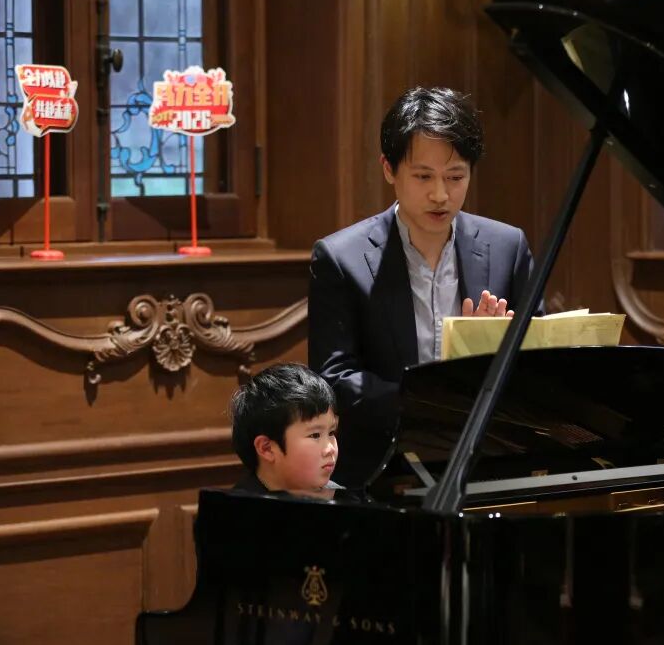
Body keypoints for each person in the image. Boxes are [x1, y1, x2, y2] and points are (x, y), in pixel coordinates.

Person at [309, 86, 538, 487]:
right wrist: (435, 401)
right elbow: (334, 378)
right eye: (423, 176)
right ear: (389, 169)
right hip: (384, 469)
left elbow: (540, 358)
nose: (440, 194)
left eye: (455, 177)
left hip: (489, 464)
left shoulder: (507, 247)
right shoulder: (341, 258)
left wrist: (489, 352)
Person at [229, 363, 340, 495]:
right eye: (315, 435)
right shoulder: (239, 504)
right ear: (267, 448)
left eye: (331, 432)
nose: (331, 449)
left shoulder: (342, 496)